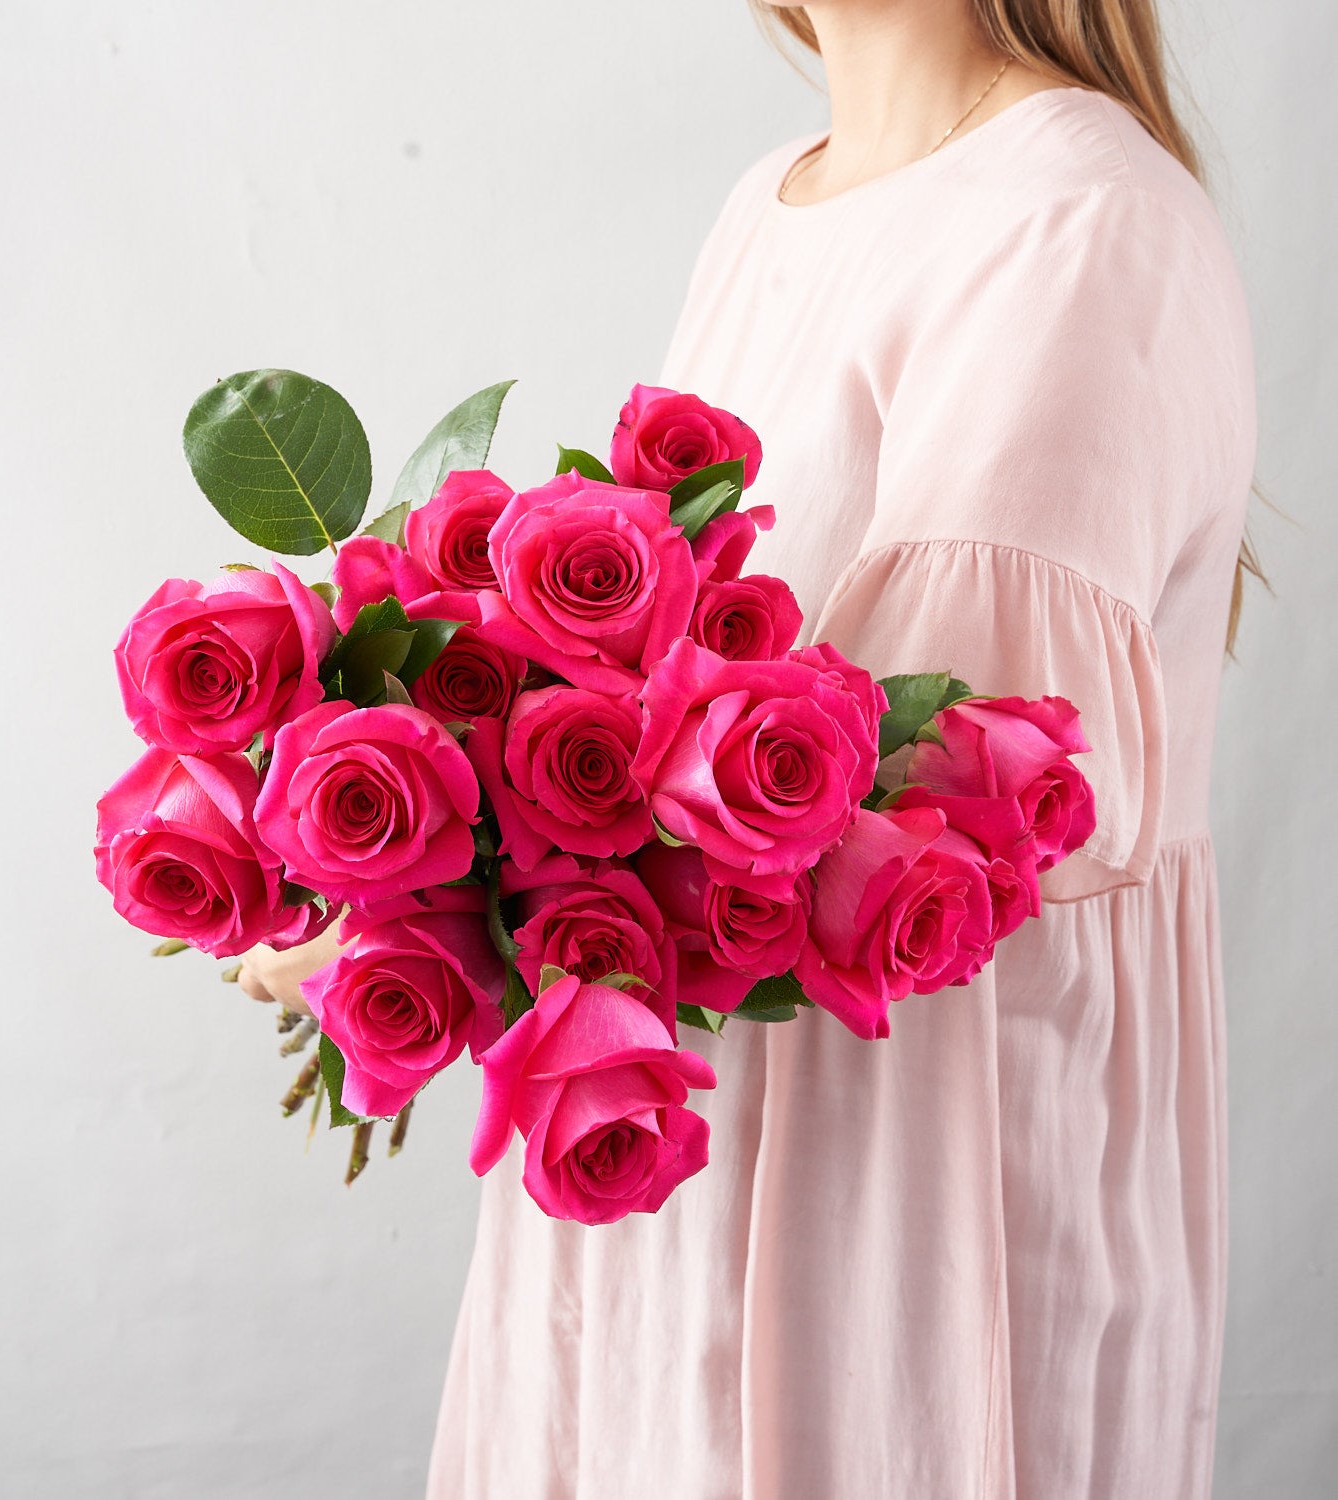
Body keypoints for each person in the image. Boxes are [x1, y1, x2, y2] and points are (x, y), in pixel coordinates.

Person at [240, 2, 1261, 1493]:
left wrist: (431, 917)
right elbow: (669, 694)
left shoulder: (1080, 223)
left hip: (912, 1197)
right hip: (679, 1152)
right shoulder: (775, 198)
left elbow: (914, 815)